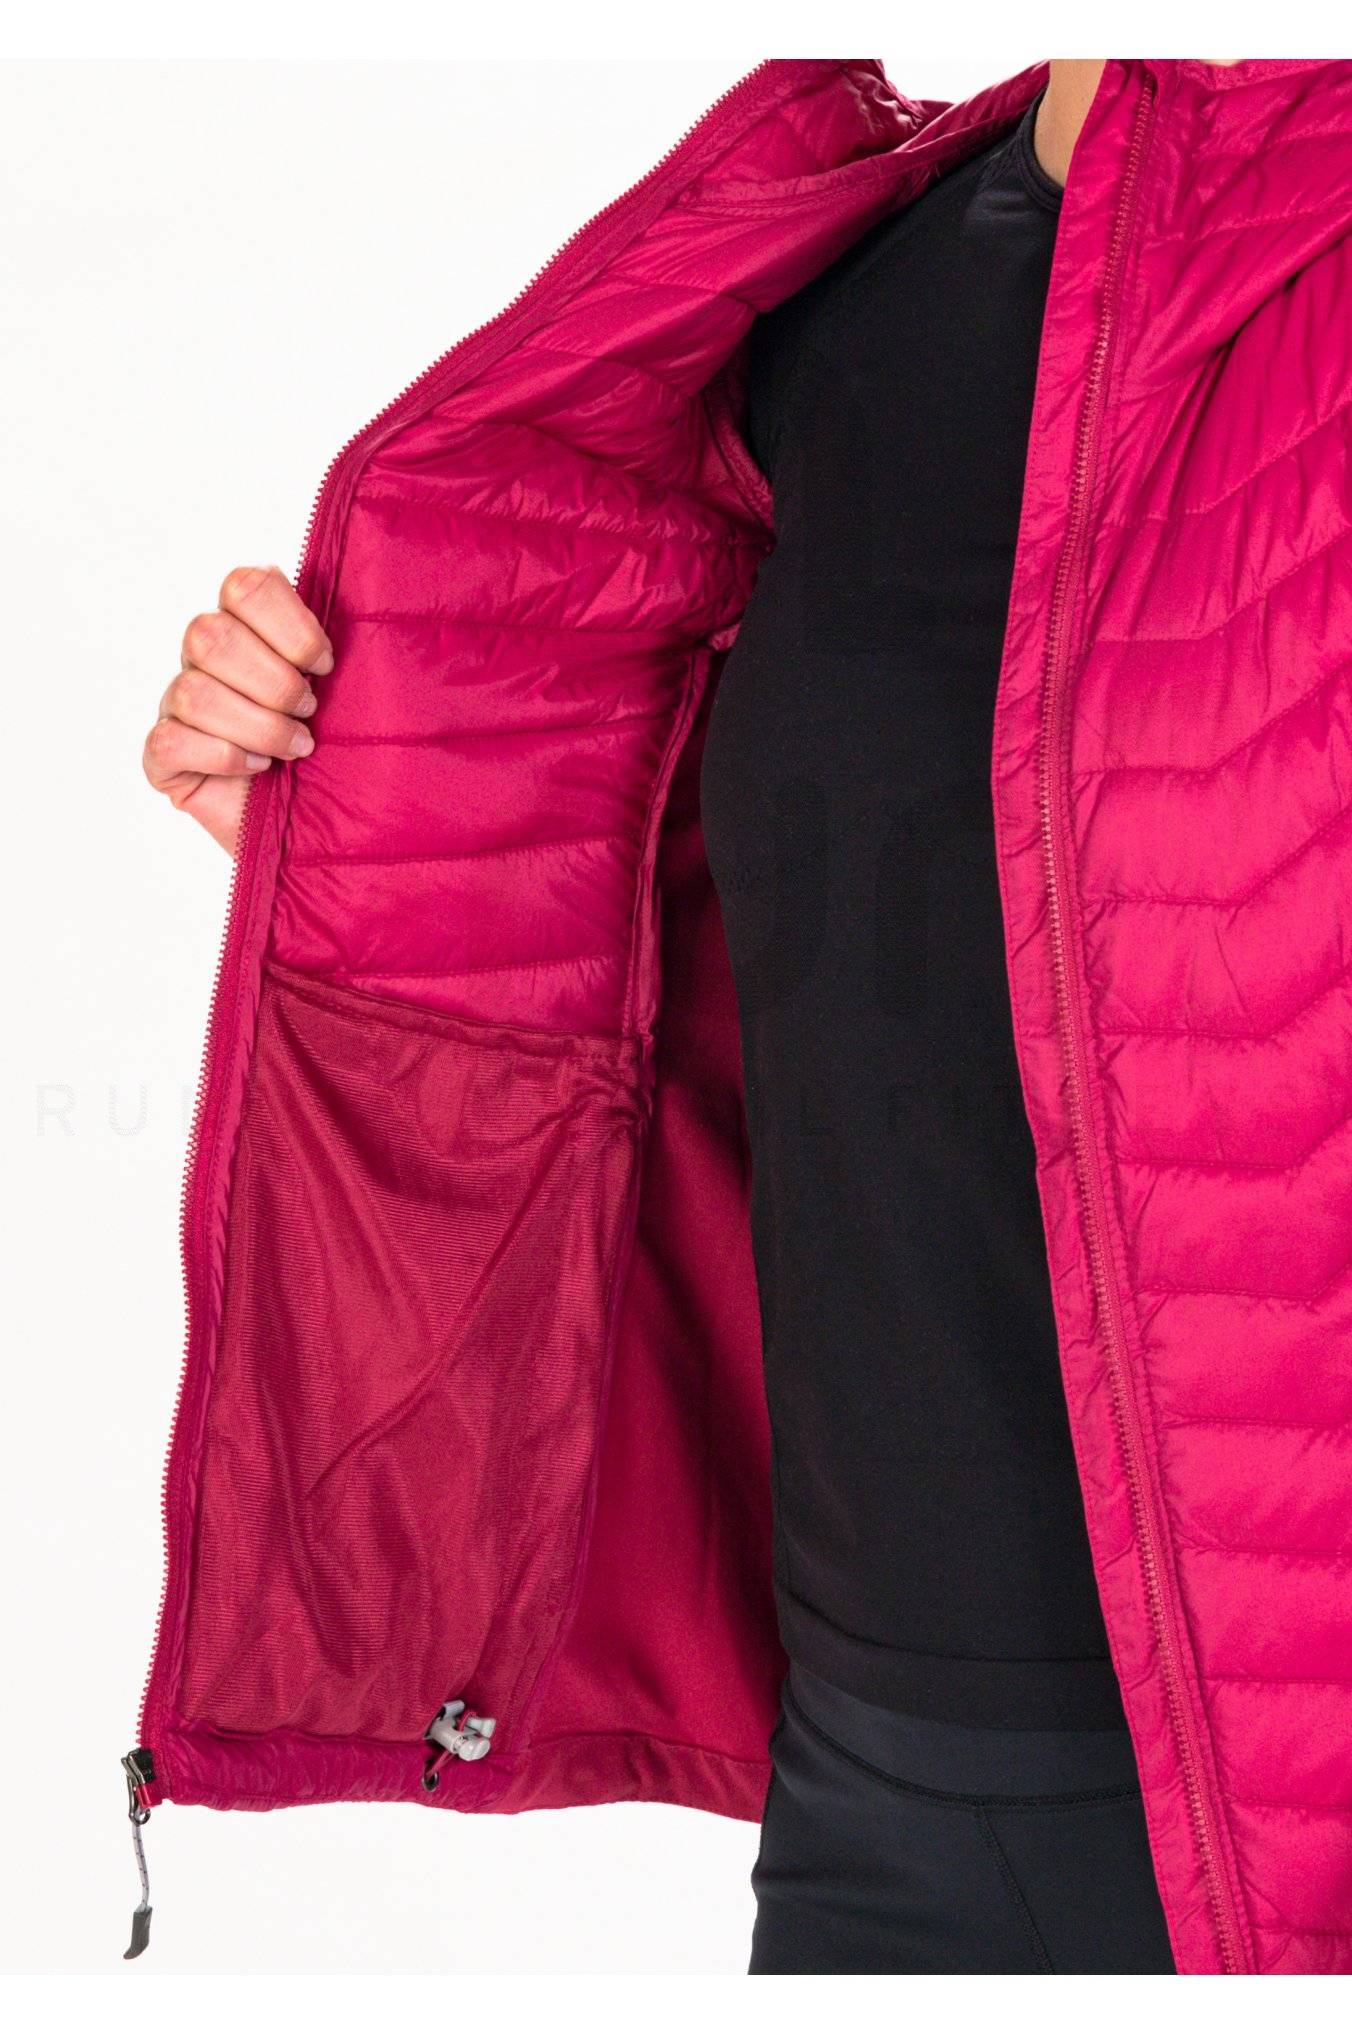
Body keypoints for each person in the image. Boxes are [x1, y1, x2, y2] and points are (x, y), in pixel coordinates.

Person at [136, 59, 1352, 1976]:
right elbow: (849, 931)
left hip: (1291, 1835)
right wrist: (366, 830)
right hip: (874, 1793)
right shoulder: (844, 285)